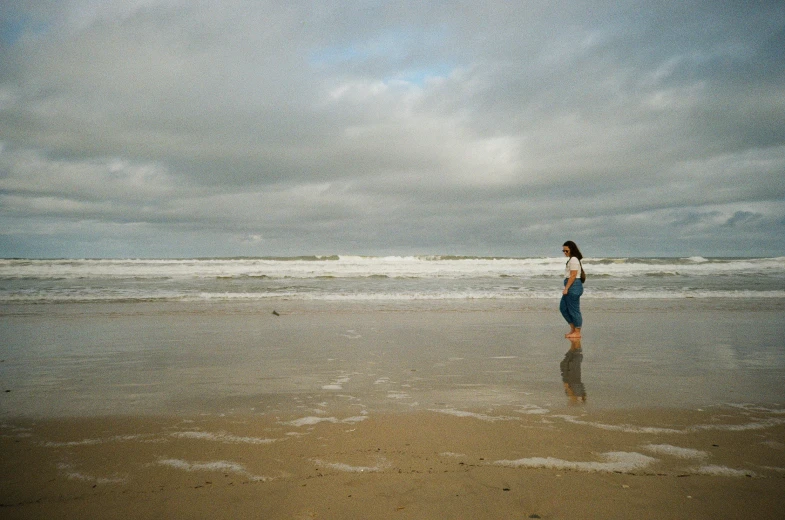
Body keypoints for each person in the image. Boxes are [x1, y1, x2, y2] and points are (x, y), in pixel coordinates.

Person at [560, 240, 584, 338]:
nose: (565, 253)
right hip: (571, 285)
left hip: (573, 286)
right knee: (563, 308)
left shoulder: (574, 259)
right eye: (563, 251)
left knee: (574, 310)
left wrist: (566, 288)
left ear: (571, 250)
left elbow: (573, 275)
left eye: (566, 250)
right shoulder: (571, 259)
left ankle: (577, 331)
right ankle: (573, 328)